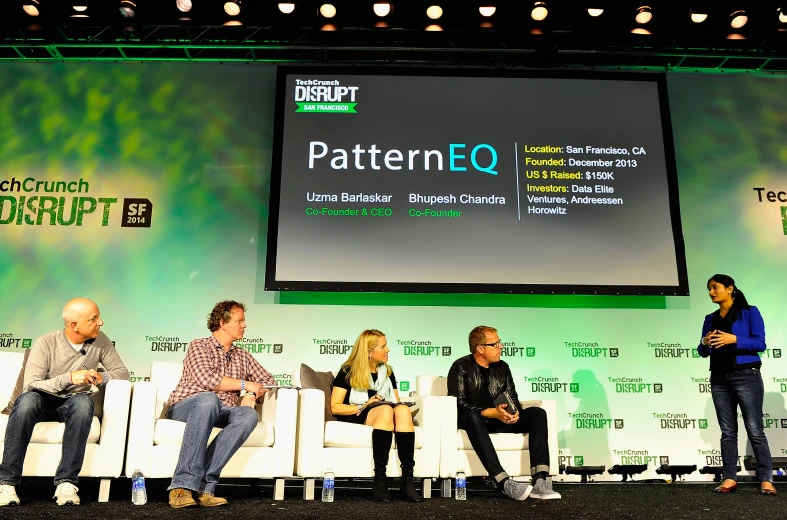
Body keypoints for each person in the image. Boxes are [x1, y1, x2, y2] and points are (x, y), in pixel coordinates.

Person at [0, 298, 129, 507]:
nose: (101, 322)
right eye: (93, 319)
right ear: (74, 325)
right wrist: (70, 378)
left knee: (82, 403)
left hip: (71, 402)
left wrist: (102, 376)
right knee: (26, 402)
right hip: (41, 399)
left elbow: (122, 372)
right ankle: (6, 482)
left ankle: (67, 482)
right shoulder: (46, 342)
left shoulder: (101, 341)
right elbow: (32, 384)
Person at [165, 300, 275, 508]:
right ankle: (181, 486)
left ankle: (204, 488)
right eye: (239, 321)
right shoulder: (199, 345)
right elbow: (208, 381)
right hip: (187, 407)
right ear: (223, 322)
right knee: (209, 398)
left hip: (221, 411)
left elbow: (268, 381)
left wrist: (251, 397)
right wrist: (245, 384)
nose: (245, 325)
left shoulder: (242, 355)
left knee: (247, 415)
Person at [447, 325, 560, 501]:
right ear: (480, 349)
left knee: (538, 413)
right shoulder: (461, 366)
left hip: (501, 418)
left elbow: (512, 397)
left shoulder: (502, 367)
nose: (501, 347)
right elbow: (459, 404)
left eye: (500, 343)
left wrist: (513, 412)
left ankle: (540, 481)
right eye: (496, 344)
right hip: (475, 421)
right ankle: (502, 481)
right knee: (471, 415)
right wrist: (491, 412)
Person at [697, 275, 776, 495]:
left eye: (715, 288)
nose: (712, 292)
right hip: (719, 378)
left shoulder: (750, 312)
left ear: (730, 288)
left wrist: (735, 340)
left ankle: (766, 478)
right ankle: (729, 477)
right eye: (709, 289)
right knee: (727, 432)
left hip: (746, 375)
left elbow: (760, 343)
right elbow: (702, 351)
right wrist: (703, 343)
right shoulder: (710, 318)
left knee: (755, 429)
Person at [330, 329, 422, 503]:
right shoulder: (348, 371)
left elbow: (396, 400)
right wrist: (365, 405)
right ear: (369, 352)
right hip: (357, 414)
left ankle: (408, 481)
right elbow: (335, 407)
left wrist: (396, 405)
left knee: (401, 410)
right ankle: (380, 480)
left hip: (383, 412)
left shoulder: (387, 371)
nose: (388, 350)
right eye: (383, 346)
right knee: (385, 410)